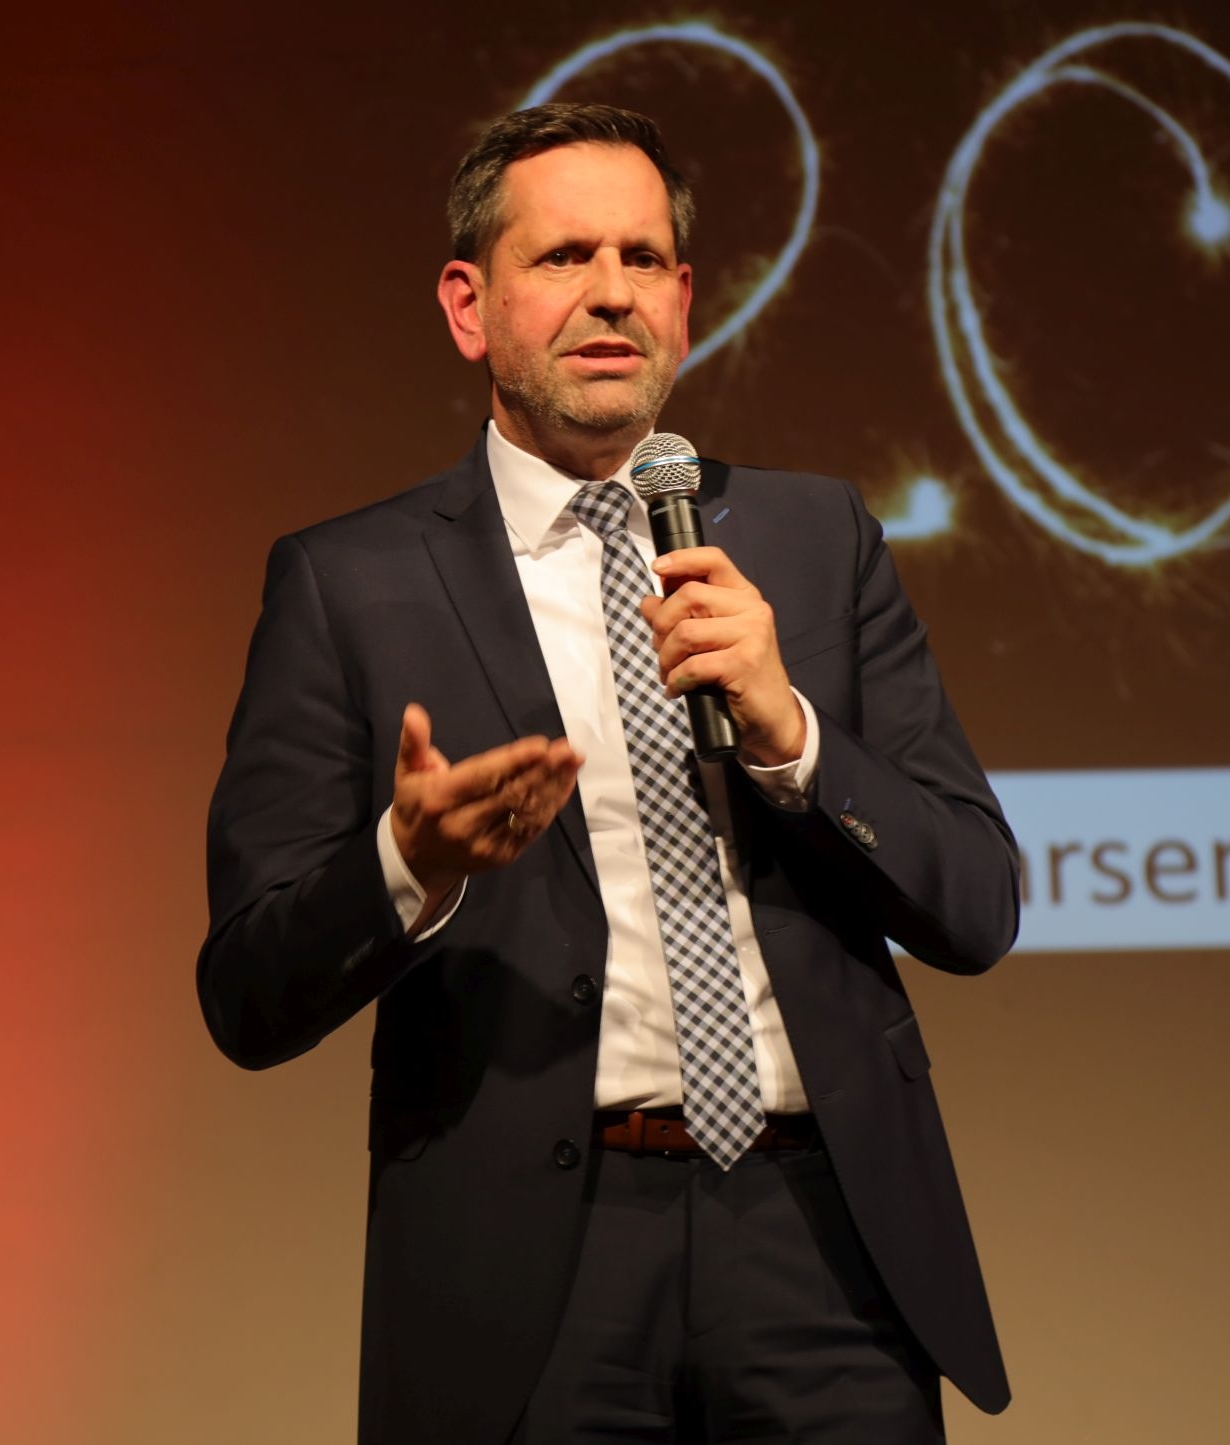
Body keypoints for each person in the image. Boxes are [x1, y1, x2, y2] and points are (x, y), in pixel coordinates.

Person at [197, 102, 1020, 1443]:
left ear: (685, 304)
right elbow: (245, 991)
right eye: (564, 256)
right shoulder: (350, 584)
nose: (612, 293)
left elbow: (977, 902)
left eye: (643, 260)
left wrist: (793, 735)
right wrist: (408, 866)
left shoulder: (818, 540)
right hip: (539, 1268)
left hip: (821, 1248)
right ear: (469, 307)